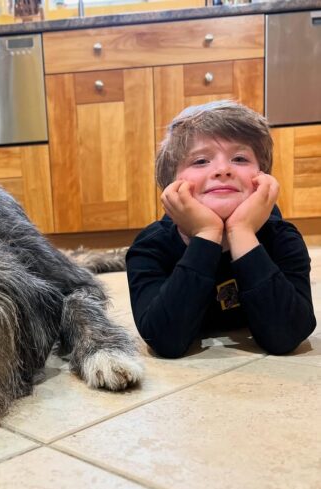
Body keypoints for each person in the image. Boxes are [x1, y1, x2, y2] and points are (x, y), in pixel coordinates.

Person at [126, 100, 316, 358]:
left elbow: (287, 336)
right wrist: (206, 234)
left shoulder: (282, 238)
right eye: (200, 161)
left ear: (262, 177)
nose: (223, 170)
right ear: (171, 183)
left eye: (239, 158)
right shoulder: (150, 248)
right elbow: (165, 340)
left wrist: (242, 232)